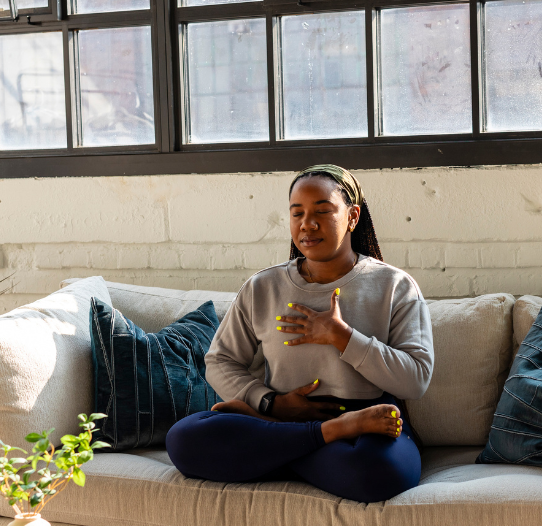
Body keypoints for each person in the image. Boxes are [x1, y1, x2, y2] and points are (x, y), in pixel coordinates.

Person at [165, 164, 434, 503]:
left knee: (382, 473)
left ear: (352, 217)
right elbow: (220, 361)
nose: (307, 223)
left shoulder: (394, 285)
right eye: (297, 213)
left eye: (322, 211)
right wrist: (270, 403)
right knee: (184, 440)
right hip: (280, 416)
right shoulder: (263, 286)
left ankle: (274, 448)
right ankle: (321, 436)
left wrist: (343, 337)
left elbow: (416, 379)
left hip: (367, 424)